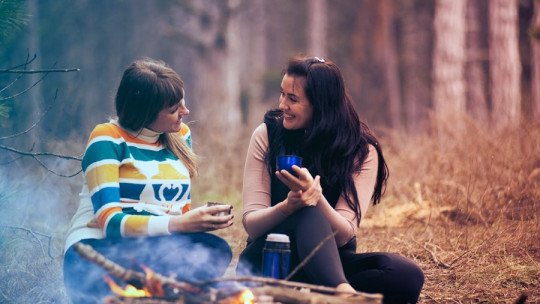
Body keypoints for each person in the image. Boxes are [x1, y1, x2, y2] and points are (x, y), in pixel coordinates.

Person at [237, 56, 424, 303]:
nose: (282, 105)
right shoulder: (267, 135)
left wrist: (318, 199)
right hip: (269, 260)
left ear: (321, 105)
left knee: (405, 275)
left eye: (293, 99)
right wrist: (288, 206)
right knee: (304, 210)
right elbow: (252, 223)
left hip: (329, 264)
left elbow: (344, 234)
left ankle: (323, 293)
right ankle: (342, 295)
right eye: (282, 94)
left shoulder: (361, 150)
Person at [63, 58, 234, 304]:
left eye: (182, 103)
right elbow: (111, 224)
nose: (185, 113)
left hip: (154, 249)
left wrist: (195, 222)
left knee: (215, 250)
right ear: (145, 112)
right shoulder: (107, 139)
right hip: (98, 250)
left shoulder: (180, 135)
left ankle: (159, 294)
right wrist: (180, 223)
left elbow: (178, 210)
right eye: (174, 109)